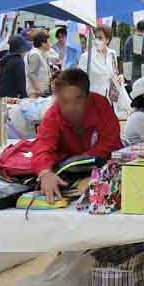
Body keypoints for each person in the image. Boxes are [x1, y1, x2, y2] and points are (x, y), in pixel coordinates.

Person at [32, 69, 123, 201]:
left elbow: (111, 143)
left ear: (87, 97)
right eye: (64, 101)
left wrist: (82, 162)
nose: (71, 107)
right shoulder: (53, 114)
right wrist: (45, 173)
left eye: (77, 100)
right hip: (66, 173)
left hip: (100, 169)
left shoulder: (101, 105)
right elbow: (42, 147)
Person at [84, 26, 121, 105]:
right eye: (96, 37)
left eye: (100, 38)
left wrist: (119, 78)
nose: (97, 40)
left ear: (107, 40)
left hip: (110, 99)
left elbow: (114, 74)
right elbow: (80, 81)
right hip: (92, 99)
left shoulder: (112, 54)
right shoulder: (87, 57)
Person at [25, 31, 54, 97]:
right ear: (43, 43)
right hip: (35, 93)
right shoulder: (35, 54)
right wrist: (38, 90)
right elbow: (31, 73)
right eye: (49, 42)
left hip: (42, 92)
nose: (51, 44)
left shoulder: (42, 53)